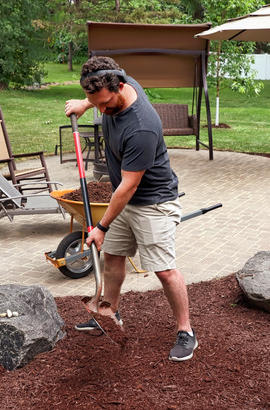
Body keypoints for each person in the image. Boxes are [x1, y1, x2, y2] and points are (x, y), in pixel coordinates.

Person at [64, 56, 196, 362]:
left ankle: (186, 331)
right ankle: (107, 313)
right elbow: (97, 97)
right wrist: (86, 105)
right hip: (124, 199)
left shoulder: (142, 128)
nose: (102, 111)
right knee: (112, 257)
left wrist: (101, 226)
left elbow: (128, 187)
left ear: (120, 87)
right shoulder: (113, 81)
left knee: (163, 270)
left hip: (153, 202)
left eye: (105, 104)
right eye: (94, 103)